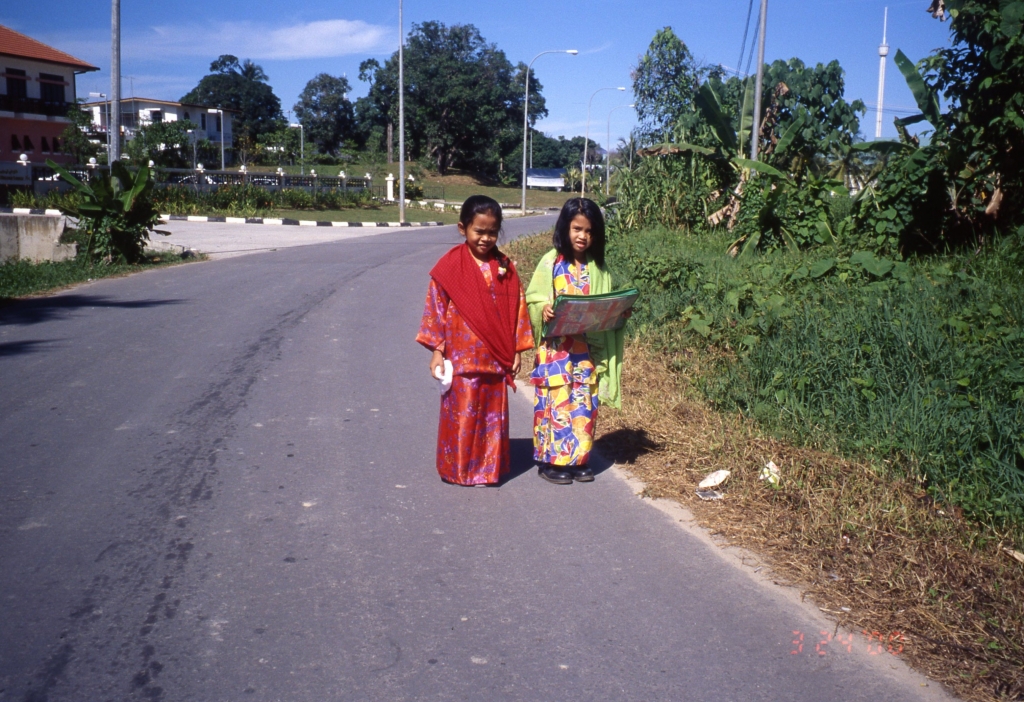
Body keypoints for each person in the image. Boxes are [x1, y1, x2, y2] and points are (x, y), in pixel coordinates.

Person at [416, 195, 534, 486]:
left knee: (491, 418)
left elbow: (517, 307)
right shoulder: (449, 266)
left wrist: (517, 349)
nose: (485, 238)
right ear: (462, 228)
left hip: (495, 356)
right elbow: (436, 309)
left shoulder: (505, 266)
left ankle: (487, 470)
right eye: (478, 231)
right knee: (464, 415)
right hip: (461, 357)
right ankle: (459, 470)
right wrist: (437, 351)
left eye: (492, 232)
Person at [525, 197, 626, 485]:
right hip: (556, 351)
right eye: (577, 229)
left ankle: (579, 458)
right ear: (565, 228)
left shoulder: (599, 268)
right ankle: (550, 461)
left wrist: (619, 312)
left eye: (589, 231)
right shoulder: (551, 262)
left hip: (585, 351)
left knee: (583, 404)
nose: (583, 236)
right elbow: (532, 299)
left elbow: (603, 304)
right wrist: (542, 309)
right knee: (556, 405)